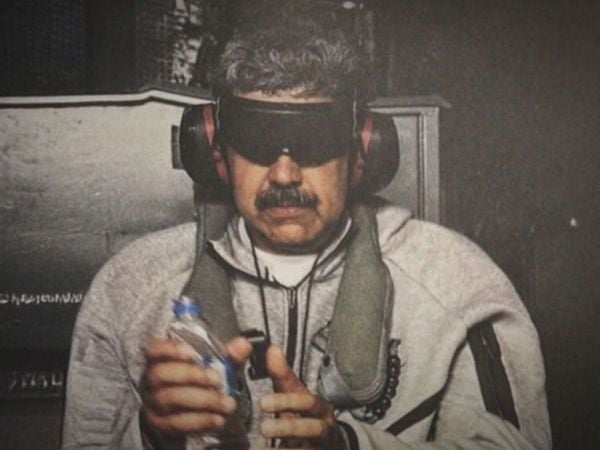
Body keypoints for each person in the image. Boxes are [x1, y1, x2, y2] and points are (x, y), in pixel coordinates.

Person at [62, 1, 551, 449]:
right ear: (214, 149)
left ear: (362, 150)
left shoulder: (459, 285)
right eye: (257, 139)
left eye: (314, 140)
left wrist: (348, 445)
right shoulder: (129, 289)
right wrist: (150, 436)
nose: (284, 174)